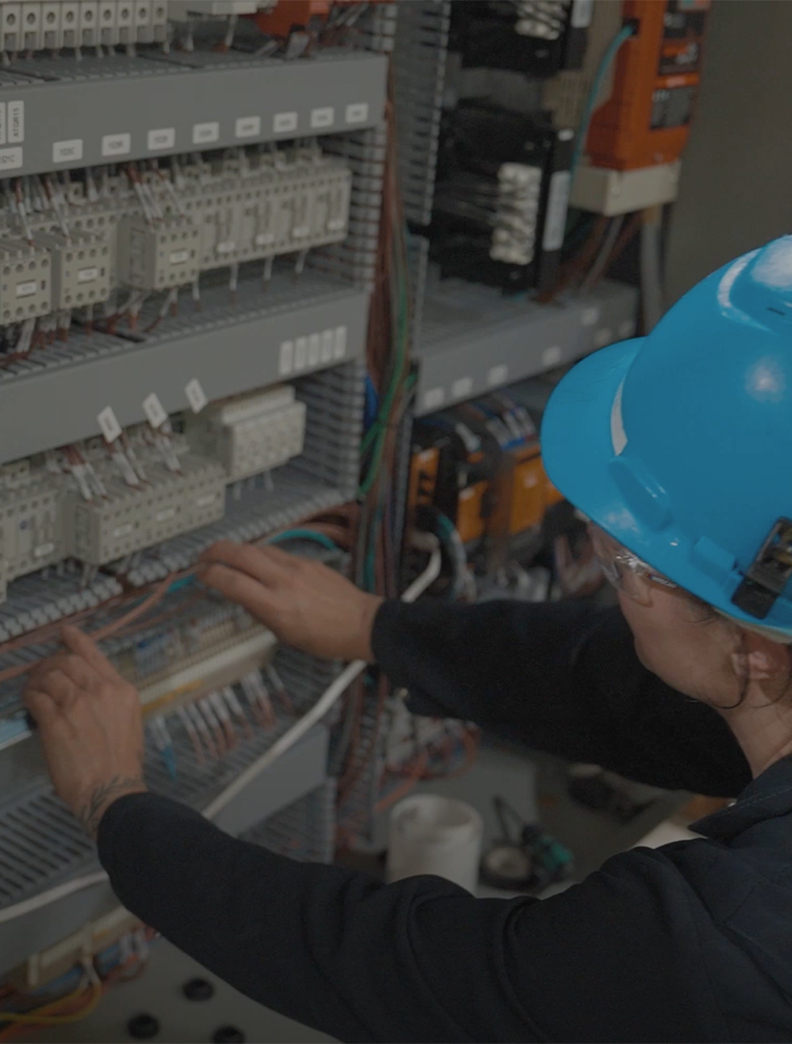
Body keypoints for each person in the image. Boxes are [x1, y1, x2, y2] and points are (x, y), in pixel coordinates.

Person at [23, 238, 792, 1044]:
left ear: (759, 648)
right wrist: (376, 627)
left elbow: (404, 969)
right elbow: (623, 690)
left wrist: (114, 802)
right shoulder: (765, 671)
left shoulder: (727, 949)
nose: (607, 577)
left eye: (628, 563)